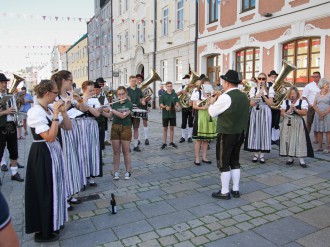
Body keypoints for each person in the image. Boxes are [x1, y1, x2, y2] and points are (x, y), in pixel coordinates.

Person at [25, 79, 72, 242]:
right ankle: (43, 229)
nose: (56, 96)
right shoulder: (35, 112)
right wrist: (56, 115)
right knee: (44, 190)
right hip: (42, 153)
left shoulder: (49, 108)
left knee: (54, 188)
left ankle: (54, 222)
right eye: (54, 93)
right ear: (47, 94)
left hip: (52, 153)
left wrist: (63, 112)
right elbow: (50, 137)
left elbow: (68, 127)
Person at [208, 70, 250, 199]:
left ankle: (225, 191)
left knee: (223, 162)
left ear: (227, 83)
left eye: (224, 81)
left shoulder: (226, 97)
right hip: (239, 132)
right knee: (235, 161)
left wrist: (212, 101)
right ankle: (235, 189)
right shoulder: (244, 96)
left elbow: (212, 112)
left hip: (226, 133)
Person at [51, 70, 85, 208]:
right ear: (64, 81)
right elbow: (58, 112)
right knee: (63, 163)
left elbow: (82, 108)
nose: (72, 82)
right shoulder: (55, 96)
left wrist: (78, 98)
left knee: (71, 162)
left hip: (71, 131)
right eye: (70, 80)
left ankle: (70, 192)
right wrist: (69, 103)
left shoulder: (69, 94)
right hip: (60, 132)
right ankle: (63, 196)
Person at [76, 81, 102, 187]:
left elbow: (97, 114)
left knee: (92, 149)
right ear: (84, 90)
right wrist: (84, 102)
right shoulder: (79, 99)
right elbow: (80, 107)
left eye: (93, 90)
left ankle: (90, 175)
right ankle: (82, 176)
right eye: (90, 90)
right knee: (83, 150)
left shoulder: (96, 99)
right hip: (81, 125)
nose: (92, 92)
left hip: (92, 125)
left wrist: (91, 107)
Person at [244, 72, 274, 163]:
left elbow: (271, 104)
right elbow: (251, 104)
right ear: (257, 80)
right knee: (255, 132)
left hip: (265, 111)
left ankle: (262, 155)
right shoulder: (254, 89)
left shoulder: (270, 89)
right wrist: (257, 95)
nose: (261, 80)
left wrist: (264, 96)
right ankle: (256, 154)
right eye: (259, 79)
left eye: (263, 79)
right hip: (255, 111)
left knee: (264, 132)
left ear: (266, 80)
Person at [280, 87, 314, 168]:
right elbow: (282, 113)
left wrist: (296, 110)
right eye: (291, 93)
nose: (292, 95)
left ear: (297, 94)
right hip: (288, 122)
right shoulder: (286, 102)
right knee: (288, 139)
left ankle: (301, 159)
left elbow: (304, 113)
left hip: (298, 122)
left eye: (294, 93)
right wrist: (286, 112)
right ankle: (290, 158)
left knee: (299, 139)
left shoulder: (302, 101)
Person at [0, 73, 24, 181]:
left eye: (5, 82)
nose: (4, 85)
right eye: (2, 83)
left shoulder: (10, 96)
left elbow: (15, 109)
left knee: (14, 150)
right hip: (1, 126)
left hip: (11, 125)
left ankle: (14, 173)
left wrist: (16, 111)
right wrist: (6, 111)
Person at [191, 78, 217, 165]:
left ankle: (204, 157)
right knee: (199, 139)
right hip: (200, 116)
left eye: (209, 84)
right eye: (206, 84)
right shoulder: (197, 93)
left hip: (209, 115)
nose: (208, 86)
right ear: (202, 85)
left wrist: (214, 96)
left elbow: (213, 103)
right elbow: (194, 106)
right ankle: (197, 158)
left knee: (206, 139)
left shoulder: (211, 93)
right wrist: (203, 107)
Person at [110, 86, 133, 180]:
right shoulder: (114, 104)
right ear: (117, 95)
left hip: (126, 128)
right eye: (119, 94)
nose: (121, 96)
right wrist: (102, 109)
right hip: (115, 128)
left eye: (123, 94)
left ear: (126, 93)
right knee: (116, 152)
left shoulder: (129, 104)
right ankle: (116, 172)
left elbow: (123, 115)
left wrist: (111, 109)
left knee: (126, 152)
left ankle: (128, 172)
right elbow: (109, 115)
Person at [126, 75, 146, 152]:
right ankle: (128, 146)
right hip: (129, 111)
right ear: (129, 81)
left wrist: (143, 101)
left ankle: (135, 145)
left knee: (136, 129)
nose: (134, 82)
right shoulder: (127, 90)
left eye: (135, 81)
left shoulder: (139, 90)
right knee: (128, 129)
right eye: (132, 81)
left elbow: (142, 98)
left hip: (137, 111)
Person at [159, 81, 180, 149]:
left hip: (172, 114)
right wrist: (165, 107)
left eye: (171, 86)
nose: (169, 87)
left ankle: (171, 142)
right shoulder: (163, 95)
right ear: (166, 87)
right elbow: (160, 104)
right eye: (168, 86)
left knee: (172, 128)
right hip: (165, 114)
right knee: (165, 129)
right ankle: (164, 143)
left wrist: (176, 105)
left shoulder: (174, 94)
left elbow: (177, 102)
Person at [302, 71, 321, 143]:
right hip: (311, 107)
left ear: (319, 77)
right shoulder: (309, 86)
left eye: (317, 76)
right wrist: (308, 104)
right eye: (314, 76)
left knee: (318, 124)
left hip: (320, 107)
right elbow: (304, 97)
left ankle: (316, 139)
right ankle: (306, 138)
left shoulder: (322, 85)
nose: (315, 78)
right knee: (309, 123)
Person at [313, 79, 330, 153]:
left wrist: (324, 113)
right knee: (319, 130)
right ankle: (319, 146)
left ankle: (328, 147)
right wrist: (319, 113)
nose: (328, 86)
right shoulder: (317, 94)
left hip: (327, 114)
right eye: (327, 84)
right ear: (322, 85)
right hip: (318, 114)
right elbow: (314, 104)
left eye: (328, 84)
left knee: (328, 131)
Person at [177, 74, 194, 143]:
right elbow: (176, 94)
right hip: (184, 107)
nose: (187, 81)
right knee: (184, 123)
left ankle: (189, 137)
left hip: (191, 107)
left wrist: (188, 94)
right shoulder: (182, 87)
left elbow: (195, 97)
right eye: (185, 79)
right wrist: (181, 91)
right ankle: (183, 137)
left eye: (188, 79)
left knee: (190, 122)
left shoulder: (194, 88)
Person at [136, 74, 150, 145]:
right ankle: (138, 139)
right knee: (137, 123)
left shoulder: (146, 87)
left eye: (140, 78)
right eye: (137, 78)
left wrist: (145, 100)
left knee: (145, 122)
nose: (139, 79)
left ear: (142, 79)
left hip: (144, 106)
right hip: (137, 106)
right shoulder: (134, 88)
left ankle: (146, 138)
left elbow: (149, 97)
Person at [267, 70, 281, 145]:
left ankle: (277, 138)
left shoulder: (279, 84)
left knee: (277, 122)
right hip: (270, 106)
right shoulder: (268, 85)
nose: (273, 78)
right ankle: (271, 138)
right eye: (272, 76)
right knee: (271, 122)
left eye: (275, 76)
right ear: (269, 77)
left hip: (277, 105)